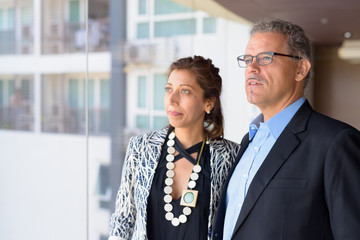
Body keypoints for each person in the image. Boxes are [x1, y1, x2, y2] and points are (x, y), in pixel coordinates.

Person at [212, 19, 360, 240]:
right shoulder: (248, 141)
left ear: (300, 69)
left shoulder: (335, 142)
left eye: (265, 58)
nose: (252, 68)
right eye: (248, 59)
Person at [109, 55, 241, 240]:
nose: (172, 99)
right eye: (169, 89)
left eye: (185, 91)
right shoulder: (141, 148)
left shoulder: (230, 156)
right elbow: (123, 219)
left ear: (208, 103)